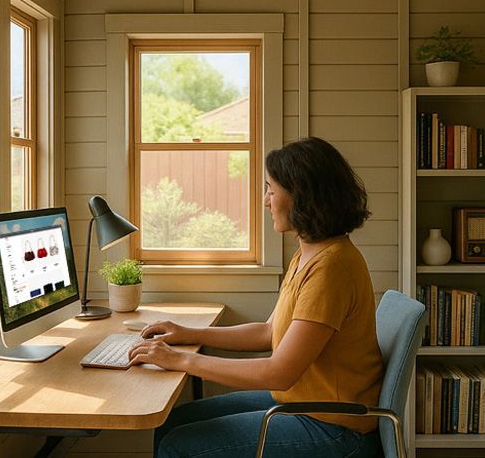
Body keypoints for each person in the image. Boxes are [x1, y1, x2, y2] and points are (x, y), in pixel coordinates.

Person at [129, 137, 383, 458]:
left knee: (178, 446)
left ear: (301, 197)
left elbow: (279, 372)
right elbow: (268, 332)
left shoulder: (331, 267)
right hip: (302, 404)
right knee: (173, 421)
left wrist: (181, 359)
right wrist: (188, 334)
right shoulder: (310, 254)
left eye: (271, 190)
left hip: (335, 429)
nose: (265, 201)